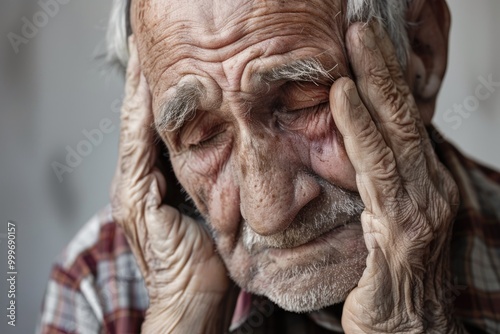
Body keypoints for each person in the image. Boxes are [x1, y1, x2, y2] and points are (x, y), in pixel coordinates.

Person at [38, 0, 500, 333]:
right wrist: (181, 320)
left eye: (302, 103)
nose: (267, 211)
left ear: (422, 50)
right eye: (201, 137)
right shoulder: (98, 285)